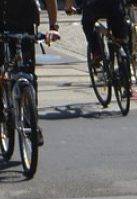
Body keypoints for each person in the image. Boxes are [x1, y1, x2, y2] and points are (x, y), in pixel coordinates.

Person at [0, 0, 61, 146]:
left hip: (25, 22)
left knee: (28, 73)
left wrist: (53, 27)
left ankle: (31, 122)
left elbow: (50, 1)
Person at [65, 0, 129, 67]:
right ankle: (126, 59)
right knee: (121, 36)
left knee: (87, 24)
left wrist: (69, 7)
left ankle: (97, 52)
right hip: (116, 5)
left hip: (94, 6)